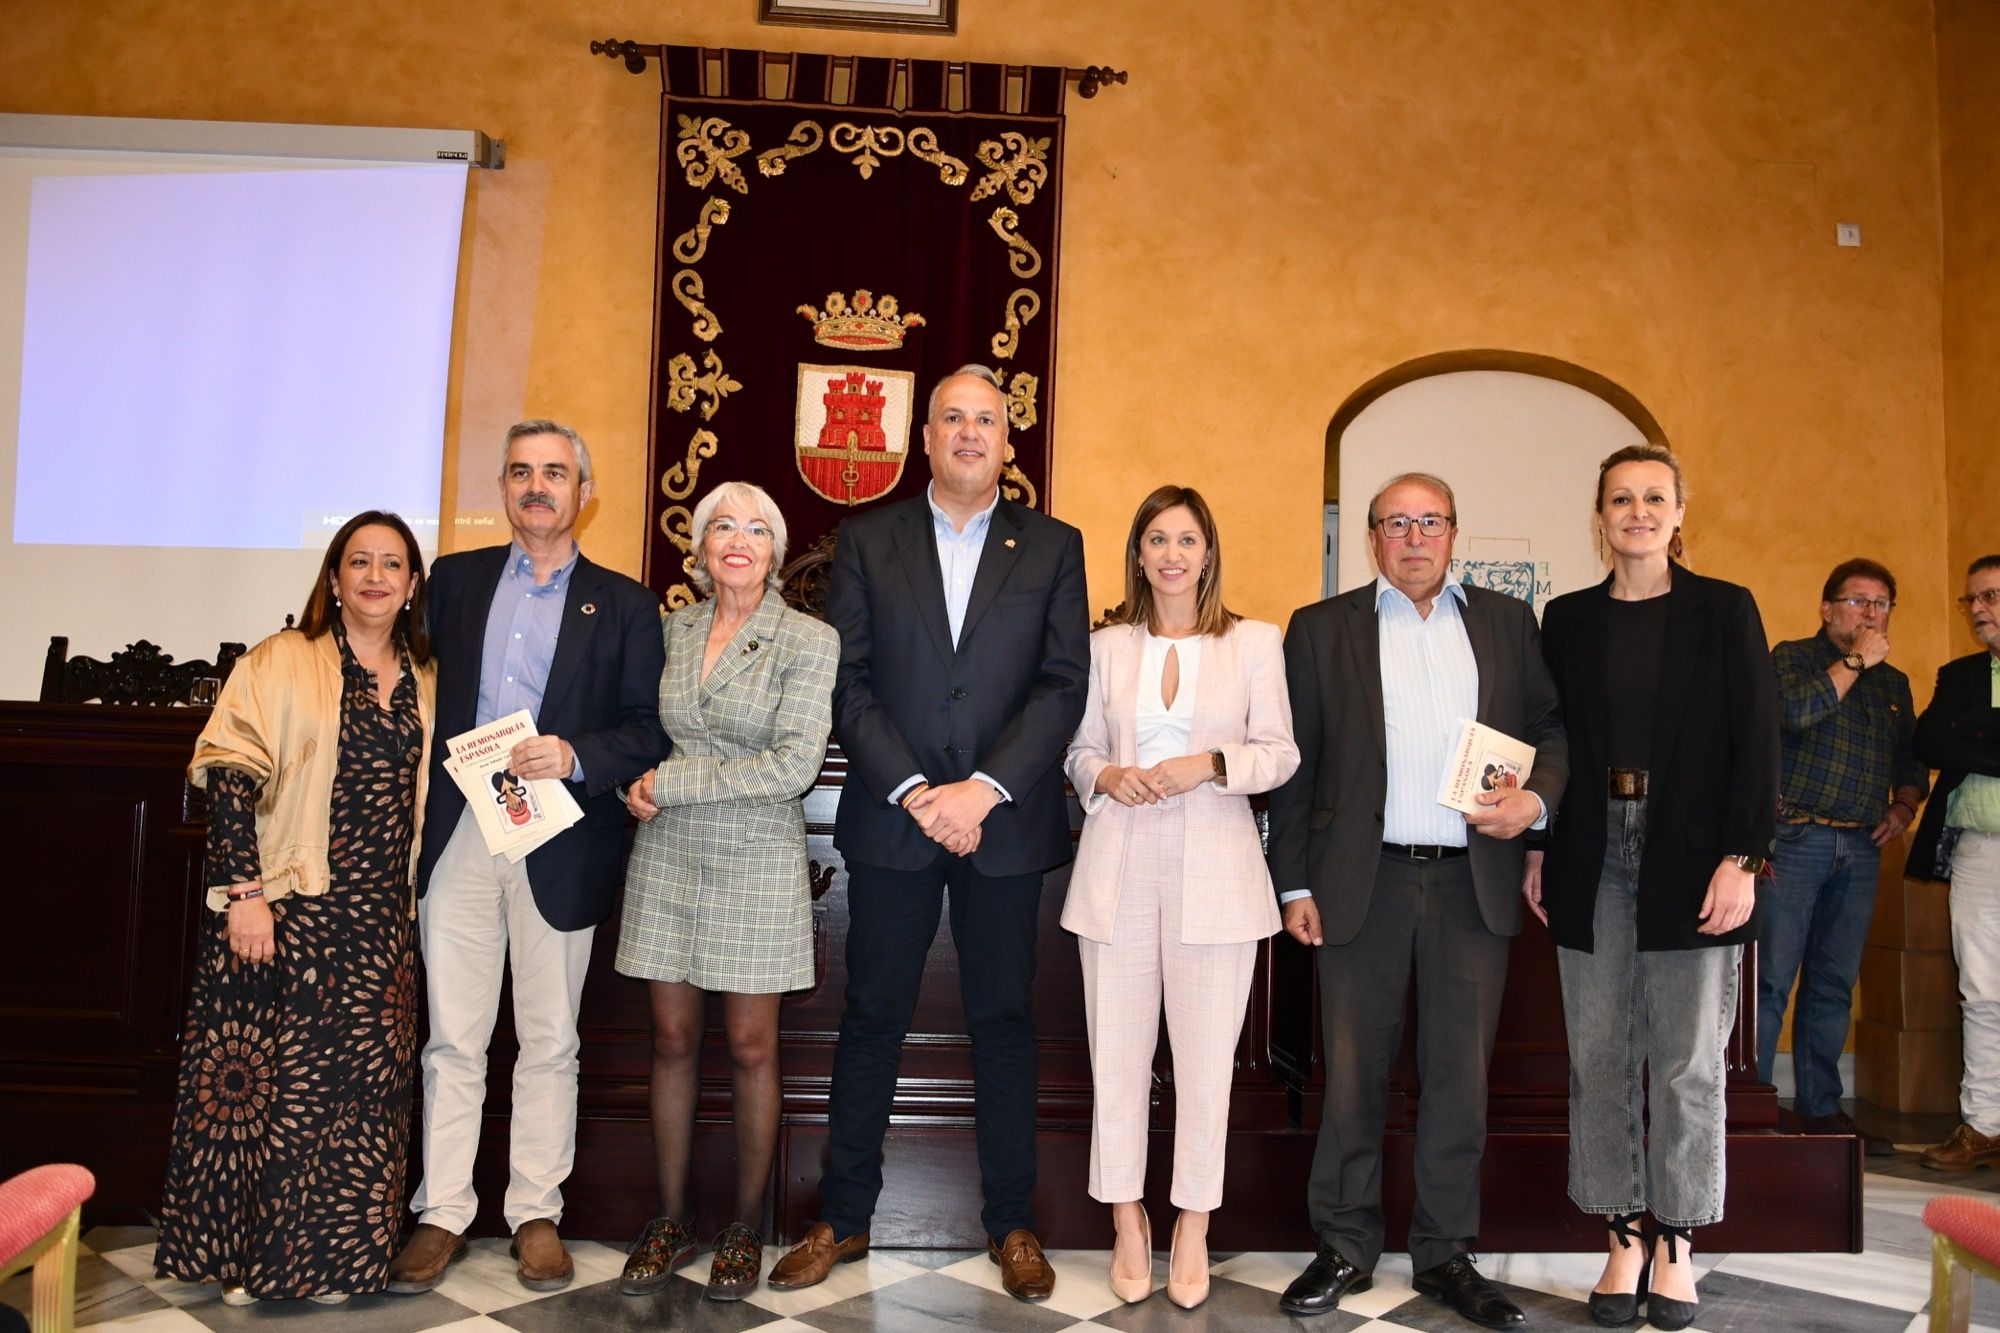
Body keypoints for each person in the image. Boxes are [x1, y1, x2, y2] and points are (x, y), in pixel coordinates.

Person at [766, 364, 1088, 1302]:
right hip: (894, 820)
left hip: (1005, 826)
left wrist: (981, 790)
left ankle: (1013, 1221)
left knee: (1005, 1021)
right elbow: (848, 680)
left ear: (1006, 438)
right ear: (926, 437)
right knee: (872, 1017)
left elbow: (1063, 683)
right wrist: (916, 790)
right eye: (952, 417)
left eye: (985, 418)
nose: (969, 432)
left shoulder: (1054, 545)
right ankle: (846, 1214)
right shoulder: (868, 539)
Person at [1267, 472, 1566, 1329]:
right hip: (1364, 880)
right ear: (1372, 539)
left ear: (1453, 533)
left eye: (1430, 521)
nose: (1414, 536)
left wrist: (1534, 805)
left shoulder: (1508, 623)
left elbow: (1552, 732)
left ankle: (1446, 1254)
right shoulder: (1323, 629)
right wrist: (1294, 881)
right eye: (1396, 522)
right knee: (1351, 1073)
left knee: (1458, 1079)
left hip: (1473, 882)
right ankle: (1344, 1245)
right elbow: (1297, 770)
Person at [389, 420, 668, 1294]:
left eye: (554, 472)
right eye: (521, 472)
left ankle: (535, 1212)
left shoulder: (625, 602)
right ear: (503, 487)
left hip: (561, 834)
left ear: (584, 490)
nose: (537, 486)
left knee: (550, 1038)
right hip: (460, 833)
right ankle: (441, 1212)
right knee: (453, 1038)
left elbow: (647, 728)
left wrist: (576, 755)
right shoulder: (453, 583)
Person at [1523, 443, 1778, 1330]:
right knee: (1597, 1059)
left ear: (1679, 513)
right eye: (1622, 498)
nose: (1638, 511)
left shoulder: (1723, 610)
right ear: (1599, 517)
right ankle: (1621, 1233)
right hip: (1592, 849)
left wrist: (1743, 857)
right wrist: (1540, 848)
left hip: (1694, 852)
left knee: (1685, 1066)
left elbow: (1759, 740)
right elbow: (1552, 744)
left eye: (1654, 498)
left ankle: (1677, 1240)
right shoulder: (1568, 618)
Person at [155, 511, 435, 1305]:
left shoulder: (429, 674)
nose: (376, 576)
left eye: (392, 563)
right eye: (359, 561)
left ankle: (336, 1265)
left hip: (383, 923)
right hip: (289, 909)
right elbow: (230, 777)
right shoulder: (280, 660)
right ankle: (251, 1262)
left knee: (359, 1105)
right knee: (273, 1091)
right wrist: (245, 895)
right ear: (334, 577)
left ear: (413, 584)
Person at [1063, 485, 1299, 1309]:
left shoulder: (1256, 643)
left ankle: (1193, 1220)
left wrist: (1211, 764)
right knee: (1116, 1059)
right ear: (1138, 553)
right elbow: (1079, 749)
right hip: (1119, 861)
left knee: (1206, 1068)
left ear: (1208, 552)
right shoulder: (1105, 648)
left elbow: (1280, 753)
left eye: (1187, 539)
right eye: (1156, 539)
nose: (1171, 554)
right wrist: (1107, 775)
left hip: (1217, 868)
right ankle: (1128, 1215)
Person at [614, 481, 838, 1300]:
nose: (736, 540)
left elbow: (794, 765)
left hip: (755, 857)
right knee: (670, 1041)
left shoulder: (808, 639)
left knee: (751, 1046)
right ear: (700, 548)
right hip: (668, 854)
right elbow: (637, 734)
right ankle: (669, 1218)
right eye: (720, 527)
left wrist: (671, 782)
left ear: (775, 550)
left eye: (755, 528)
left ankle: (744, 1227)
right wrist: (632, 786)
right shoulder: (667, 629)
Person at [1759, 558, 1926, 1151]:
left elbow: (1911, 760)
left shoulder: (1895, 684)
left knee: (1833, 982)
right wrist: (1855, 661)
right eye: (1859, 602)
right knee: (1771, 979)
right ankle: (1751, 1106)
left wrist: (1904, 806)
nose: (1871, 614)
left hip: (1860, 847)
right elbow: (1792, 715)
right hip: (1796, 841)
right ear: (1827, 609)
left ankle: (1821, 1108)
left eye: (1882, 604)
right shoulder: (1792, 658)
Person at [1912, 555, 2000, 1171]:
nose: (1979, 610)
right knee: (1983, 989)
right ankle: (1984, 1124)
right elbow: (1930, 741)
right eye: (1972, 599)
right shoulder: (1961, 673)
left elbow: (1959, 739)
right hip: (1976, 849)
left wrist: (1976, 737)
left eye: (1991, 596)